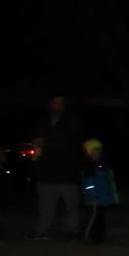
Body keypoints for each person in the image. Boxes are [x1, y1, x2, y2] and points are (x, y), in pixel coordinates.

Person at [27, 95, 83, 240]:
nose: (58, 105)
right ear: (50, 104)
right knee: (45, 206)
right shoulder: (43, 121)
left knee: (71, 206)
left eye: (61, 103)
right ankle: (41, 230)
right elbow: (38, 142)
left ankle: (72, 230)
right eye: (55, 102)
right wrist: (36, 151)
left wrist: (45, 142)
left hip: (67, 173)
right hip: (46, 173)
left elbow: (67, 142)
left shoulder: (71, 120)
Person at [79, 138, 118, 244]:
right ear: (89, 152)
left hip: (101, 198)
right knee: (92, 217)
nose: (98, 152)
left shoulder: (100, 164)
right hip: (93, 198)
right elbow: (88, 184)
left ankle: (99, 237)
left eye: (99, 149)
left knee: (100, 218)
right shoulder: (89, 165)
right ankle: (85, 237)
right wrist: (92, 197)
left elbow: (106, 181)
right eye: (95, 150)